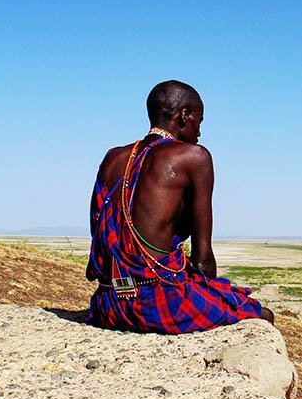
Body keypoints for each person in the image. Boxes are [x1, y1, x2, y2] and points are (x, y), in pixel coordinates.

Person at [85, 80, 274, 333]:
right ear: (184, 116)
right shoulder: (194, 156)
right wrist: (209, 296)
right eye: (200, 121)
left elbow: (97, 229)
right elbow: (203, 259)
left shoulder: (113, 157)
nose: (200, 132)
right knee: (260, 313)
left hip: (107, 305)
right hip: (158, 305)